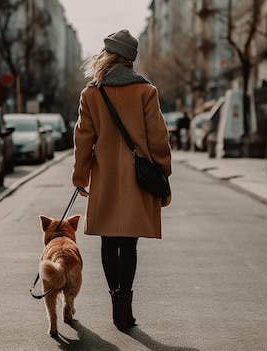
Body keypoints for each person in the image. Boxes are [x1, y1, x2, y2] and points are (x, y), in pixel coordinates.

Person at [72, 29, 172, 331]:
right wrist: (163, 170)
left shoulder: (91, 93)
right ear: (130, 60)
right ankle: (124, 308)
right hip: (136, 180)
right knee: (128, 243)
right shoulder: (146, 92)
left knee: (107, 240)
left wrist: (80, 176)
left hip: (104, 177)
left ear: (108, 55)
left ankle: (115, 298)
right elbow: (158, 138)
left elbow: (83, 139)